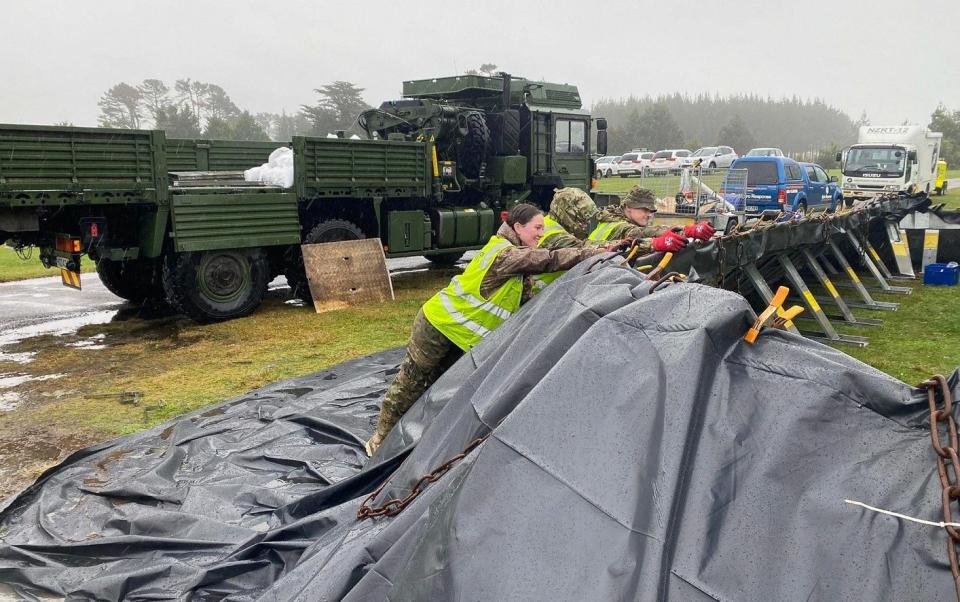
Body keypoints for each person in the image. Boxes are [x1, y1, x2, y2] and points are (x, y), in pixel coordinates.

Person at [365, 203, 618, 455]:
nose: (541, 234)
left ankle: (415, 444)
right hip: (437, 326)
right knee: (409, 385)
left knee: (440, 389)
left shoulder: (514, 253)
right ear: (518, 227)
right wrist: (592, 253)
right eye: (537, 228)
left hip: (460, 337)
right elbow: (548, 259)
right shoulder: (505, 254)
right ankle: (380, 442)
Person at [588, 186, 715, 253]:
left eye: (651, 211)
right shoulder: (620, 226)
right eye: (644, 209)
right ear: (628, 207)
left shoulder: (613, 217)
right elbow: (643, 233)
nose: (648, 215)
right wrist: (686, 231)